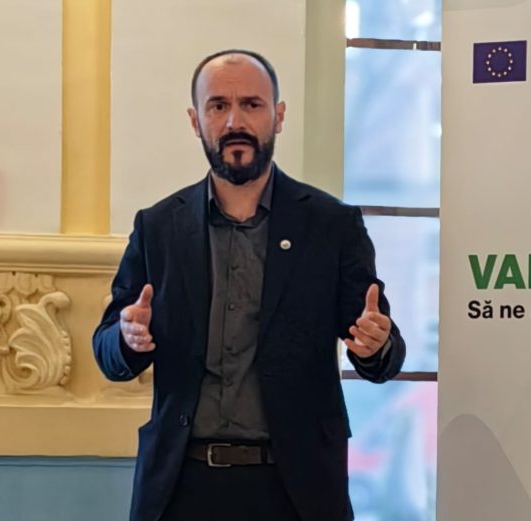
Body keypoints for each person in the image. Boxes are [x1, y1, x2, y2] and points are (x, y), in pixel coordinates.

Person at [93, 49, 406, 521]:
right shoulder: (158, 227)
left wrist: (375, 346)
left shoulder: (331, 226)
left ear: (278, 116)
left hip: (296, 490)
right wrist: (126, 337)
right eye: (218, 105)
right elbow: (107, 351)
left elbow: (383, 349)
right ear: (196, 121)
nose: (234, 121)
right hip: (180, 487)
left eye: (252, 105)